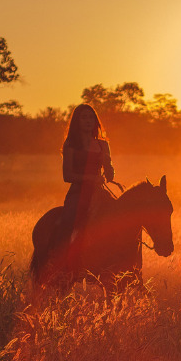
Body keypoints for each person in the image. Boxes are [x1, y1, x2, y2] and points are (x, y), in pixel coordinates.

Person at [53, 104, 114, 253]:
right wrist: (91, 178)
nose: (88, 121)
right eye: (84, 117)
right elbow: (67, 176)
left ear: (95, 121)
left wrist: (107, 163)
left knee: (118, 218)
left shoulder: (103, 144)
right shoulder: (70, 145)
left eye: (91, 117)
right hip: (77, 193)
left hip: (99, 193)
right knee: (67, 223)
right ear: (77, 121)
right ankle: (61, 259)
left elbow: (110, 176)